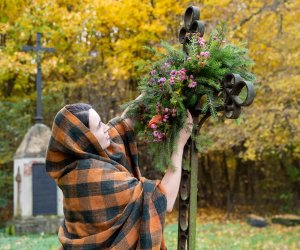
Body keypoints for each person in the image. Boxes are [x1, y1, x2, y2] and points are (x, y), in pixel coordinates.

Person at [46, 101, 193, 249]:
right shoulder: (95, 177)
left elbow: (125, 122)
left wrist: (159, 85)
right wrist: (179, 145)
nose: (106, 128)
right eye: (98, 126)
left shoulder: (74, 165)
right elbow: (163, 200)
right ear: (86, 139)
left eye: (101, 122)